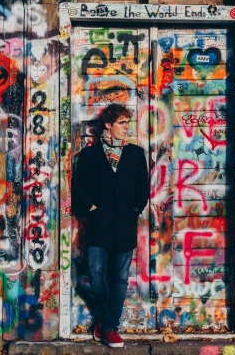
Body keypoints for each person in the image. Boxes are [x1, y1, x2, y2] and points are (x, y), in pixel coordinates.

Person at [72, 104, 150, 348]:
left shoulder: (136, 154)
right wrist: (92, 209)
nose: (127, 128)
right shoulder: (90, 155)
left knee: (120, 278)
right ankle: (106, 321)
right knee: (95, 272)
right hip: (99, 225)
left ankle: (109, 327)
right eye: (122, 123)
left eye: (128, 123)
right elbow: (78, 188)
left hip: (125, 225)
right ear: (108, 124)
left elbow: (143, 189)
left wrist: (134, 210)